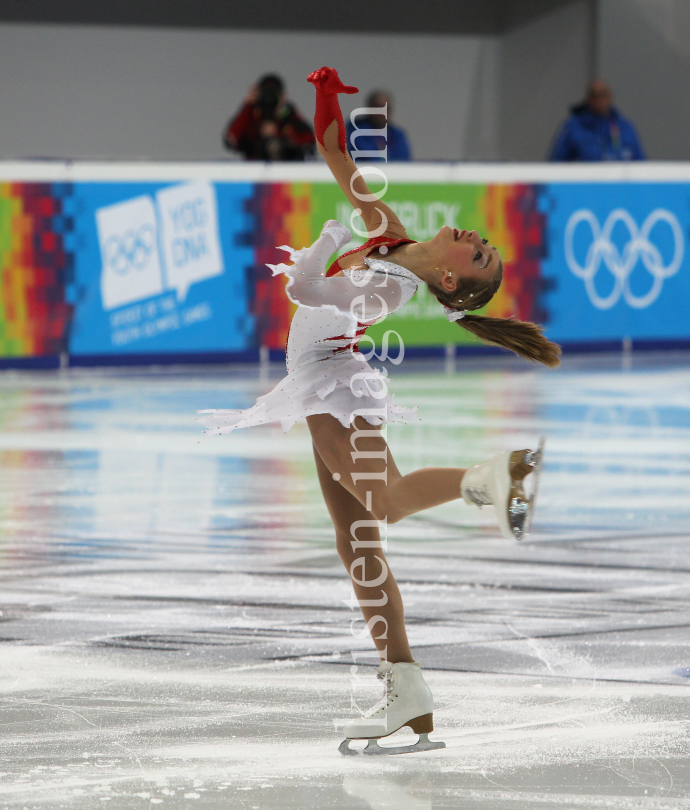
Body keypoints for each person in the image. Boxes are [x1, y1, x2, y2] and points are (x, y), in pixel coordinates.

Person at [200, 67, 560, 755]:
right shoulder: (391, 232)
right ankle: (406, 686)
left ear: (450, 280)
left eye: (476, 253)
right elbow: (337, 154)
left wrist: (325, 251)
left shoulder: (387, 289)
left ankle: (491, 478)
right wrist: (328, 95)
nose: (474, 236)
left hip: (334, 387)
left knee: (385, 505)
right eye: (481, 240)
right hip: (318, 385)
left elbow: (310, 291)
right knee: (355, 541)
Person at [223, 74, 316, 161]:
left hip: (286, 172)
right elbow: (232, 139)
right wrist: (248, 105)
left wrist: (280, 133)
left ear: (283, 96)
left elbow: (308, 146)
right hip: (255, 171)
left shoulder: (290, 118)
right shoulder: (251, 119)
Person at [549, 80, 645, 162]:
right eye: (597, 96)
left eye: (604, 95)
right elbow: (556, 162)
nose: (601, 100)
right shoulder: (573, 128)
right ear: (589, 99)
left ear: (610, 97)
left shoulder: (625, 127)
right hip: (586, 181)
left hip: (620, 181)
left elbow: (640, 162)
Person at [345, 89, 411, 161]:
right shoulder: (357, 129)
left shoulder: (397, 134)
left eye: (386, 108)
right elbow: (364, 155)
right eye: (378, 107)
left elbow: (403, 157)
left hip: (393, 171)